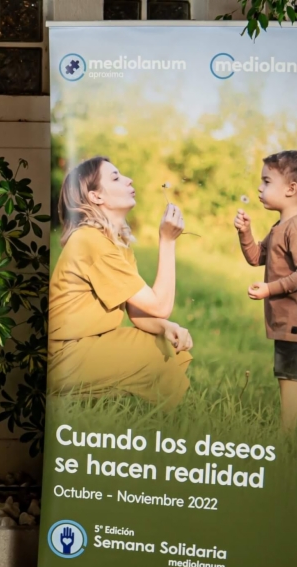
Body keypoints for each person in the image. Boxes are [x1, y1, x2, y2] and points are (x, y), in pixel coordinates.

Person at [49, 156, 193, 406]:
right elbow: (160, 306)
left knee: (166, 346)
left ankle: (125, 407)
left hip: (87, 346)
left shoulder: (116, 244)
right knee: (156, 354)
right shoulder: (90, 241)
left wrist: (166, 327)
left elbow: (139, 313)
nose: (129, 180)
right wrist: (168, 241)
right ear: (96, 196)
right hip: (63, 357)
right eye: (116, 178)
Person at [234, 150, 297, 433]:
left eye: (267, 181)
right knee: (286, 374)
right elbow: (257, 257)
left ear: (291, 189)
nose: (260, 188)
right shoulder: (281, 226)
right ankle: (287, 431)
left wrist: (269, 289)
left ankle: (287, 435)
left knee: (289, 376)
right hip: (287, 319)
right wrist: (245, 233)